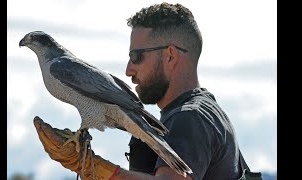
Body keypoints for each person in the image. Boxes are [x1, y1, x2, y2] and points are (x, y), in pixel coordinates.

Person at [34, 2, 243, 180]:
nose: (128, 70)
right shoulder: (201, 112)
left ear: (170, 56)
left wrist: (95, 168)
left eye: (137, 57)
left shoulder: (190, 118)